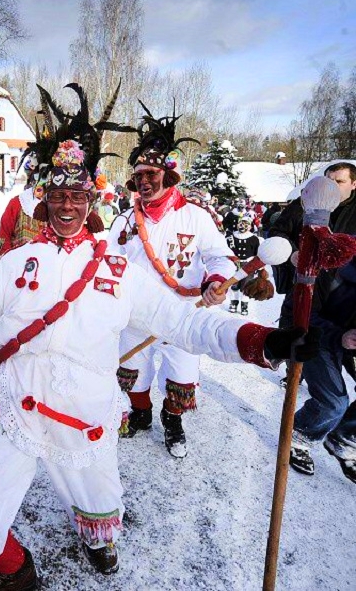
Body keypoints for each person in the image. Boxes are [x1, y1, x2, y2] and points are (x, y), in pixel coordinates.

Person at [0, 127, 316, 589]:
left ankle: (94, 536)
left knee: (98, 506)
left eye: (77, 196)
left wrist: (261, 341)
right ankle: (15, 569)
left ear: (91, 202)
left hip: (84, 413)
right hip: (13, 405)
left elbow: (188, 324)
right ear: (44, 199)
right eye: (58, 195)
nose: (67, 206)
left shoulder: (119, 269)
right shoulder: (16, 262)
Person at [107, 104, 237, 458]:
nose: (144, 182)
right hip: (135, 314)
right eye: (139, 176)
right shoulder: (122, 222)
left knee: (181, 371)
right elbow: (107, 265)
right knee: (132, 367)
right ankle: (141, 413)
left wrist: (215, 280)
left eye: (151, 174)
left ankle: (172, 420)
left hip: (182, 312)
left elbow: (219, 256)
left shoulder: (195, 217)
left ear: (169, 176)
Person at [290, 253, 356, 483]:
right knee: (334, 403)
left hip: (348, 342)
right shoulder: (333, 259)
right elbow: (299, 312)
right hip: (314, 335)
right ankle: (299, 434)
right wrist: (341, 337)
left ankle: (345, 437)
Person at [269, 162, 356, 327]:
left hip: (344, 302)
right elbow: (276, 232)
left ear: (354, 184)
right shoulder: (304, 201)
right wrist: (291, 253)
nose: (331, 186)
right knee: (293, 344)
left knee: (332, 347)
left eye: (339, 181)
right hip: (301, 292)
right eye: (328, 180)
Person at [226, 214, 260, 315]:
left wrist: (258, 267)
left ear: (250, 226)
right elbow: (226, 250)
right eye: (241, 223)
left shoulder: (254, 239)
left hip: (248, 265)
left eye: (246, 224)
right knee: (234, 285)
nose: (243, 226)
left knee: (246, 286)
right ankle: (233, 303)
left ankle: (244, 306)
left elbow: (257, 253)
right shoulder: (231, 237)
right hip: (234, 265)